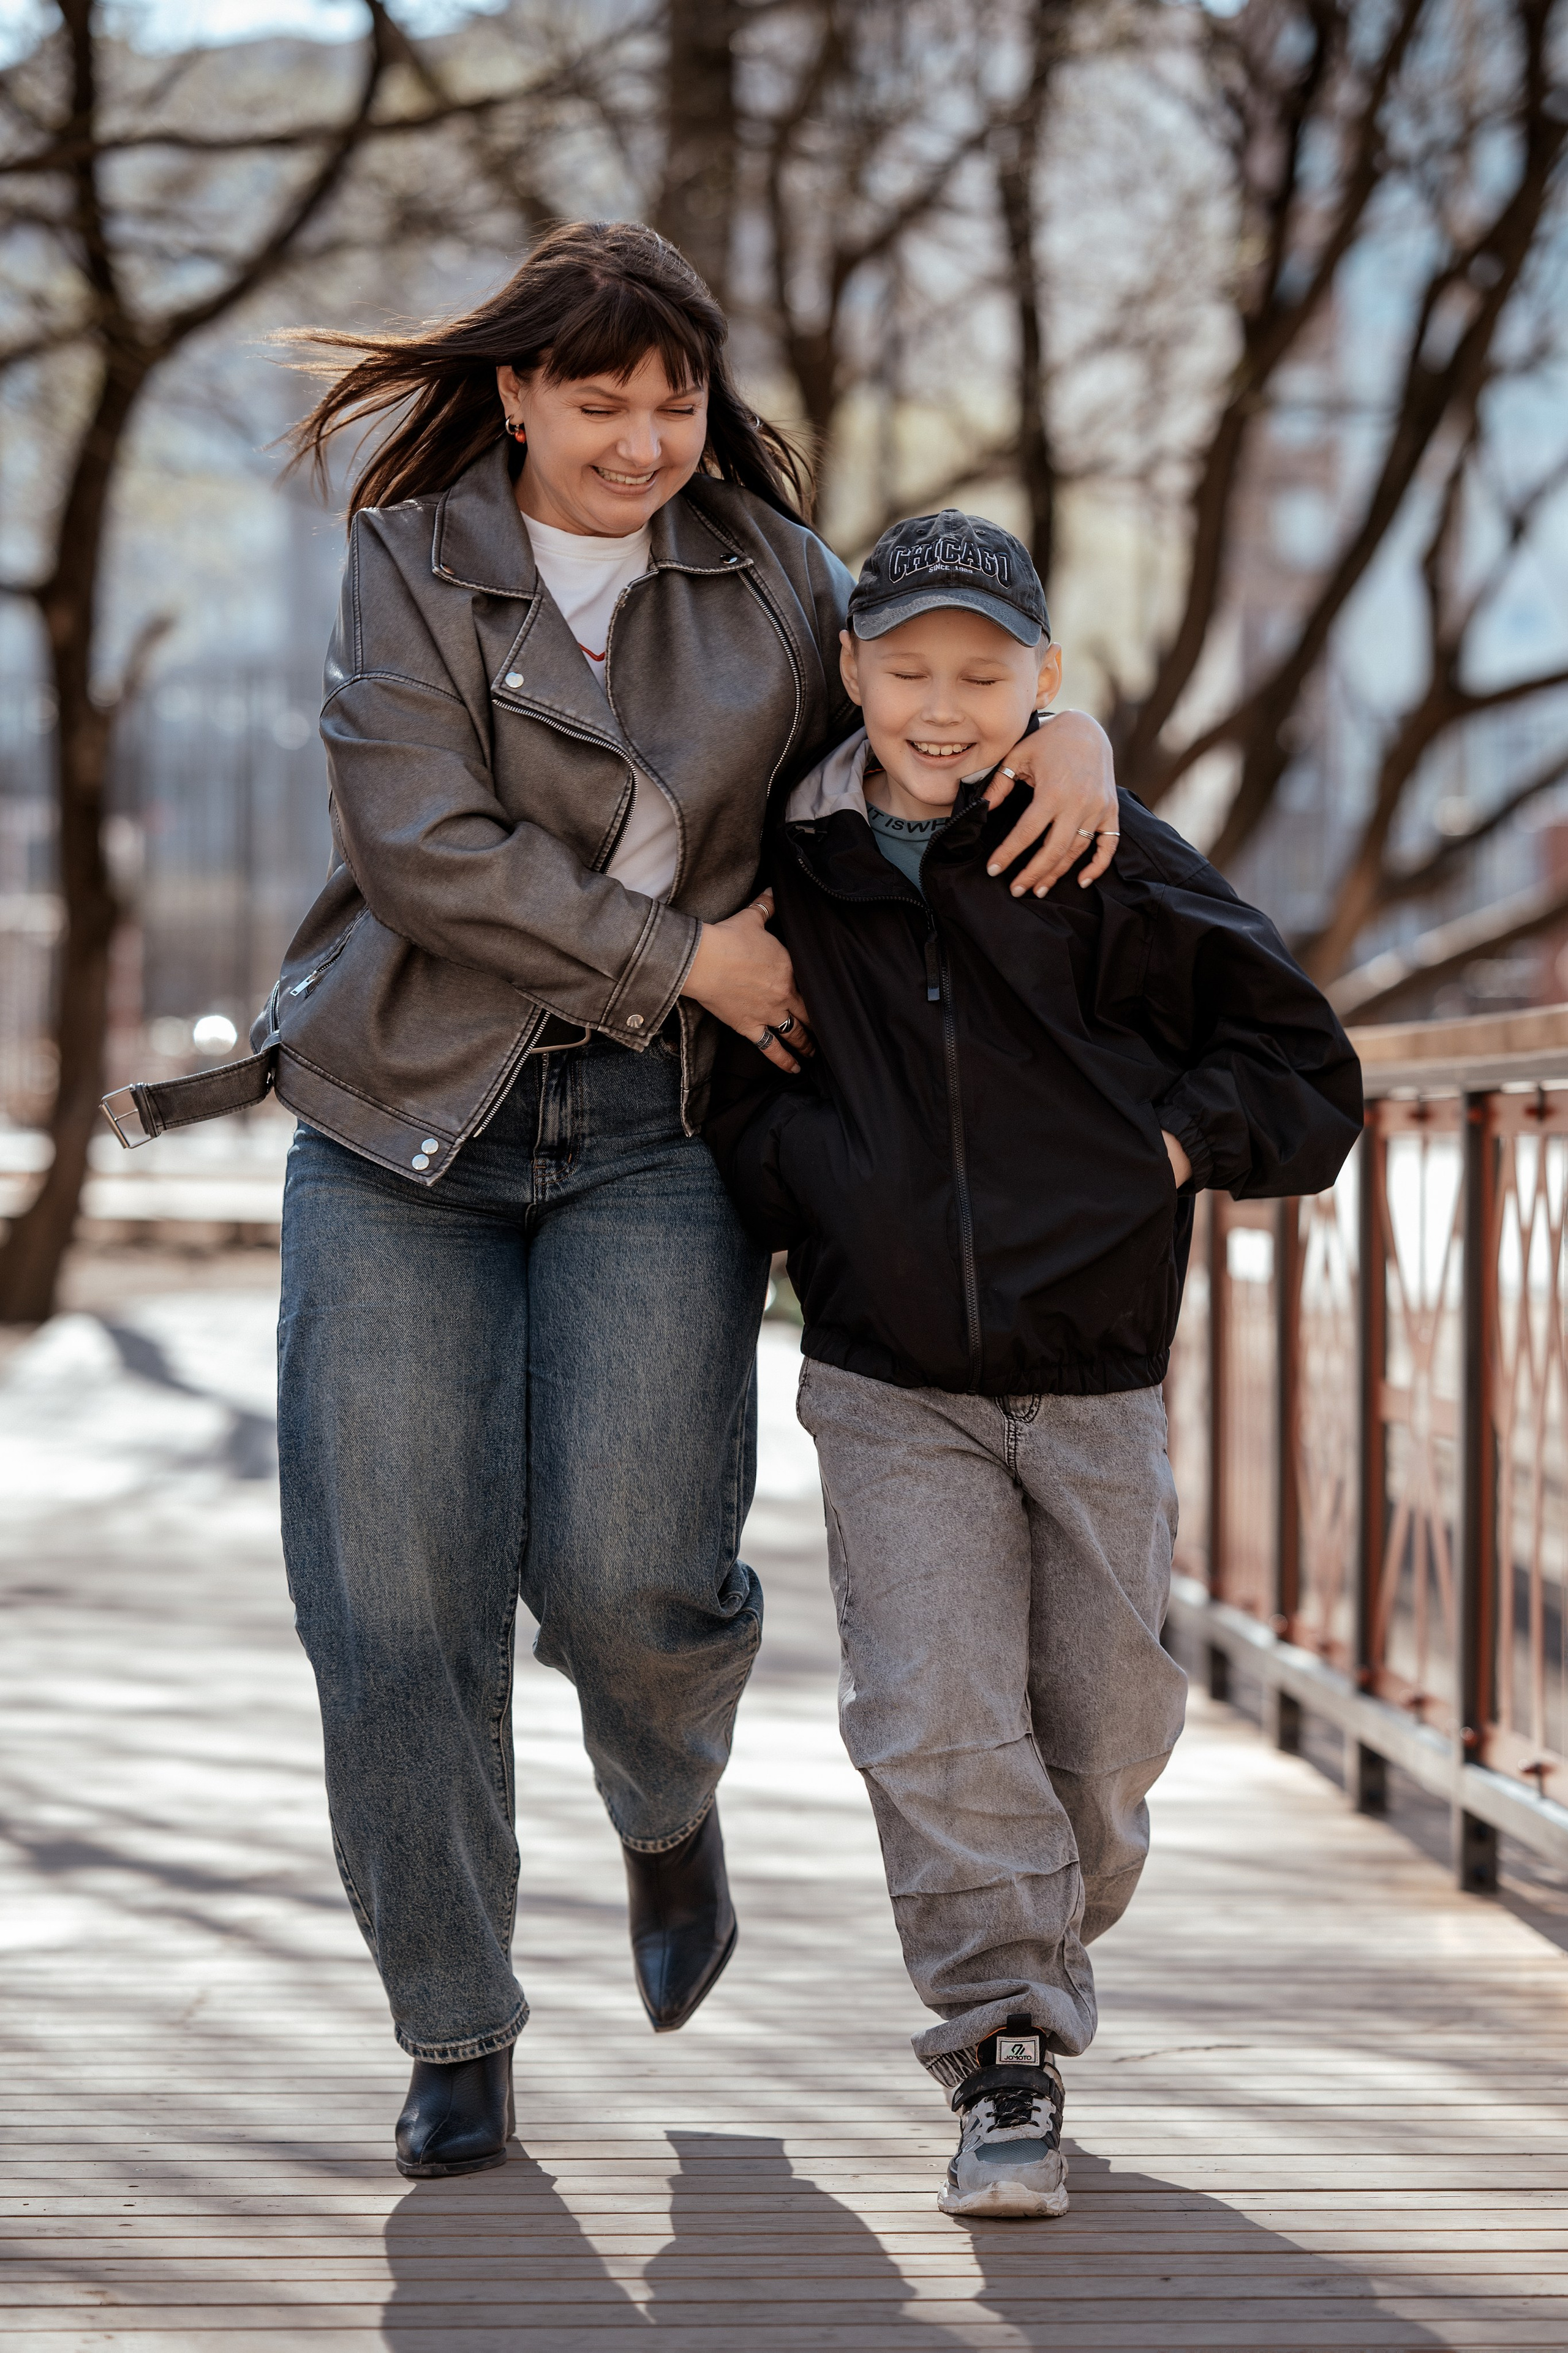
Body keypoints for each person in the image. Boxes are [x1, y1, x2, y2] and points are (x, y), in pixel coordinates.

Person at [156, 227, 1123, 2181]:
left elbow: (928, 699)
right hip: (405, 1123)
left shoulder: (768, 568)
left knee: (634, 1572)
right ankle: (454, 2023)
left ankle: (663, 1796)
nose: (646, 436)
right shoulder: (413, 558)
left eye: (675, 397)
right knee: (394, 1598)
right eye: (601, 398)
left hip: (663, 1136)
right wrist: (688, 958)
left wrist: (1073, 726)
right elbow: (425, 850)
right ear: (515, 391)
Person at [704, 510, 1363, 2219]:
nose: (942, 705)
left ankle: (1045, 1915)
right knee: (930, 1707)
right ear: (848, 672)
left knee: (1109, 1724)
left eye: (985, 676)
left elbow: (1304, 1074)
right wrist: (810, 1182)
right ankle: (1007, 2041)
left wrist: (1149, 1153)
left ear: (1045, 682)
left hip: (1093, 1376)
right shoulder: (801, 864)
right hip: (886, 1376)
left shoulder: (1108, 852)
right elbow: (735, 1086)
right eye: (906, 668)